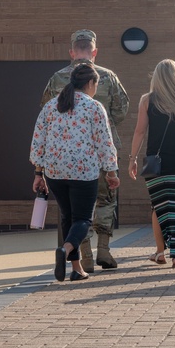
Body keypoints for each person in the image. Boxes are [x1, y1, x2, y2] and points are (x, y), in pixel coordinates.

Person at [41, 29, 129, 272]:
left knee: (76, 208)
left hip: (65, 158)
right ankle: (104, 250)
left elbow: (46, 113)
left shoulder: (58, 78)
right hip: (102, 150)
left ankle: (85, 257)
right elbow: (121, 110)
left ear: (72, 52)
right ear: (95, 51)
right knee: (105, 201)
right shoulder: (108, 76)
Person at [30, 63, 120, 282]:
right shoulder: (94, 107)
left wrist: (38, 172)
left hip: (54, 171)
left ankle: (77, 269)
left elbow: (38, 141)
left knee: (67, 217)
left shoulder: (51, 106)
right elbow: (104, 142)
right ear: (90, 83)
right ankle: (66, 248)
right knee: (83, 219)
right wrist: (111, 172)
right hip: (83, 171)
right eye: (96, 85)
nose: (95, 89)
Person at [128, 59, 175, 268]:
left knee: (159, 207)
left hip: (156, 165)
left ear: (157, 78)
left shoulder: (147, 100)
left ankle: (160, 251)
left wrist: (132, 158)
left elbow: (139, 132)